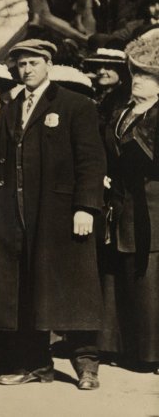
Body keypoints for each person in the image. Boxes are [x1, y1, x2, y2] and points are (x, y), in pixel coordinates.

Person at [0, 39, 106, 390]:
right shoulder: (10, 111)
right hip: (21, 214)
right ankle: (37, 364)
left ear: (48, 65)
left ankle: (87, 366)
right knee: (27, 289)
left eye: (33, 64)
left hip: (62, 214)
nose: (27, 71)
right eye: (21, 65)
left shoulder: (75, 105)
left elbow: (91, 160)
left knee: (75, 288)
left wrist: (86, 206)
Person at [98, 34, 159, 373]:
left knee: (149, 278)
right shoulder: (121, 112)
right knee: (120, 274)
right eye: (136, 74)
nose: (138, 81)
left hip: (152, 206)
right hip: (121, 204)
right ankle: (120, 346)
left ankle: (152, 353)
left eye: (147, 76)